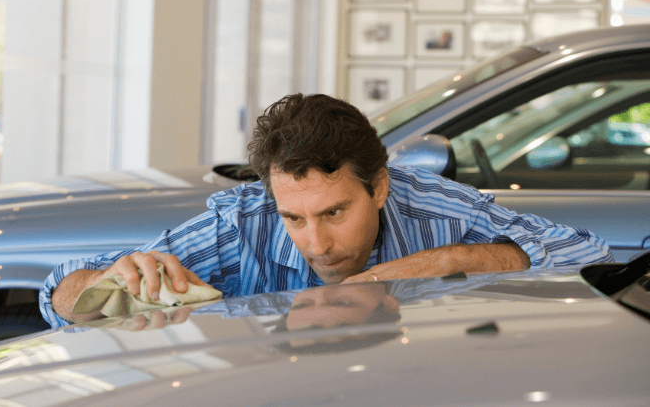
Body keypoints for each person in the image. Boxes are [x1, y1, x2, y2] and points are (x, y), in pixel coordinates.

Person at [40, 93, 613, 328]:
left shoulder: (434, 207)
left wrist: (440, 262)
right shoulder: (242, 223)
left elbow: (589, 251)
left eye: (335, 213)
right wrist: (101, 288)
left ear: (380, 187)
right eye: (295, 218)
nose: (315, 243)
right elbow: (56, 295)